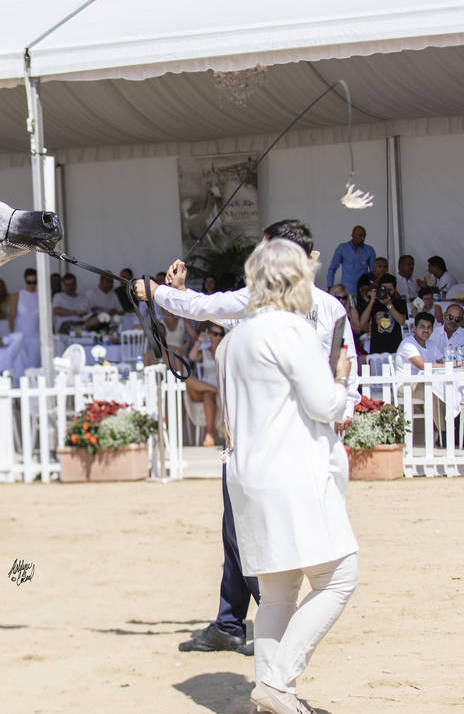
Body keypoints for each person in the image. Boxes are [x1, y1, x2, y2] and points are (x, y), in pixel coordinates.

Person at [135, 219, 357, 657]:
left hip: (259, 443)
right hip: (310, 439)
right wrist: (344, 403)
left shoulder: (260, 306)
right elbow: (343, 362)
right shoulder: (330, 307)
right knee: (240, 531)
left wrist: (158, 291)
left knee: (263, 543)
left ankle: (264, 630)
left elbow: (205, 308)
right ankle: (231, 620)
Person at [220, 239, 356, 714]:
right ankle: (278, 684)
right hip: (291, 471)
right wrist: (339, 378)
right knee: (339, 577)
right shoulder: (292, 329)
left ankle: (271, 701)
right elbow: (325, 405)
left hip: (247, 474)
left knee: (276, 596)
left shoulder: (235, 336)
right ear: (295, 279)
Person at [186, 323, 225, 446]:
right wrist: (199, 341)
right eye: (215, 334)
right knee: (188, 379)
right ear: (209, 335)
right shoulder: (204, 351)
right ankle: (215, 390)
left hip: (219, 387)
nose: (218, 337)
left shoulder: (226, 351)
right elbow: (191, 357)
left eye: (221, 334)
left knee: (208, 395)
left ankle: (209, 434)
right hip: (206, 385)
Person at [356, 273, 407, 355]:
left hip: (395, 349)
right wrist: (372, 301)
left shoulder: (399, 303)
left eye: (389, 290)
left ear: (395, 289)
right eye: (384, 289)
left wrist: (388, 304)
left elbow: (401, 321)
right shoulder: (374, 304)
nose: (387, 293)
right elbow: (362, 323)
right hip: (377, 350)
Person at [9, 268, 41, 373]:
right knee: (20, 368)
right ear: (25, 281)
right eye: (29, 282)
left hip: (36, 338)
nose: (32, 285)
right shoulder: (17, 296)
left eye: (34, 282)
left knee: (34, 368)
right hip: (20, 337)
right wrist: (13, 337)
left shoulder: (40, 296)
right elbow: (11, 317)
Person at [326, 224, 375, 292]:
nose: (362, 238)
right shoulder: (342, 248)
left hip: (363, 290)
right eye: (360, 235)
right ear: (353, 235)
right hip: (346, 289)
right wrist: (330, 286)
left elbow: (374, 271)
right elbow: (332, 268)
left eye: (364, 236)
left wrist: (372, 287)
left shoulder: (369, 250)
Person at [328, 284, 363, 355]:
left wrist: (346, 322)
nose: (341, 300)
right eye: (338, 298)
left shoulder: (351, 310)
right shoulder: (328, 311)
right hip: (332, 345)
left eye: (344, 298)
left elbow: (358, 329)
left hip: (349, 344)